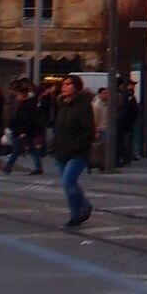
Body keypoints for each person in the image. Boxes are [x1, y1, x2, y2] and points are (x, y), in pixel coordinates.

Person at [51, 74, 96, 229]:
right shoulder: (62, 105)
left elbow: (88, 131)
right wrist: (54, 145)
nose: (64, 87)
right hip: (61, 151)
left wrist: (76, 146)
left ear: (76, 87)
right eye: (63, 84)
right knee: (69, 184)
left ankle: (76, 215)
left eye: (68, 84)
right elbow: (58, 128)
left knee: (68, 181)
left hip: (78, 152)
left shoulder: (83, 105)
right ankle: (83, 207)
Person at [3, 79, 46, 175]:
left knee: (17, 149)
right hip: (24, 131)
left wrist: (23, 132)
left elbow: (26, 120)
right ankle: (38, 167)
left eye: (18, 95)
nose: (17, 97)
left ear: (22, 96)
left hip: (24, 131)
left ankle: (9, 166)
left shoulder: (27, 106)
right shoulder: (24, 104)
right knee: (32, 149)